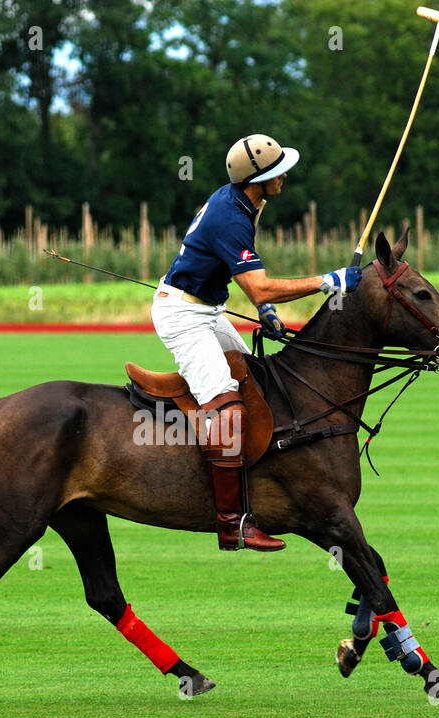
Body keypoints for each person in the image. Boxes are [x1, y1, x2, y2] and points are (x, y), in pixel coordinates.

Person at [152, 133, 361, 552]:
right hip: (182, 316)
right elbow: (261, 286)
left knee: (261, 389)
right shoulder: (230, 216)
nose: (285, 177)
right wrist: (328, 281)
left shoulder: (248, 203)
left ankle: (266, 487)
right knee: (228, 408)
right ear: (258, 178)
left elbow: (246, 281)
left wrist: (262, 311)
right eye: (278, 171)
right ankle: (232, 525)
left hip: (208, 308)